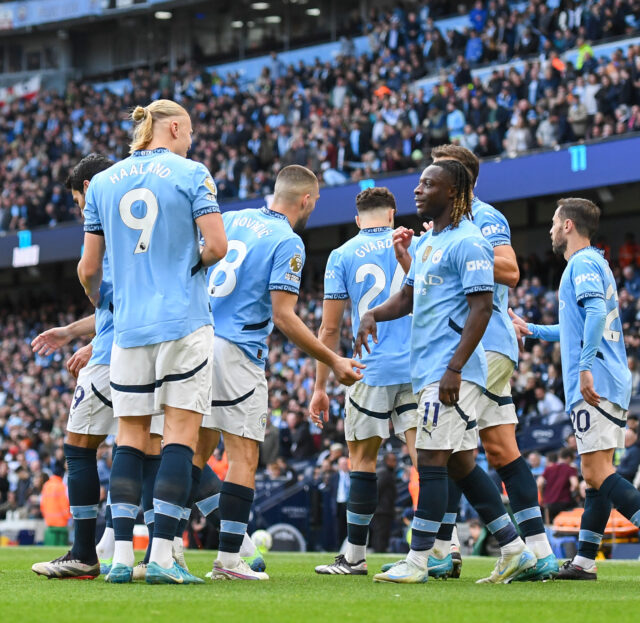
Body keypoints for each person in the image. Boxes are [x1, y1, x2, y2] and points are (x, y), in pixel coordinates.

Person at [357, 160, 534, 584]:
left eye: (428, 184)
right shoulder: (429, 242)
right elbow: (408, 297)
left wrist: (455, 368)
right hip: (430, 368)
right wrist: (372, 315)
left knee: (432, 459)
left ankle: (419, 560)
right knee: (459, 464)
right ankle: (514, 550)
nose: (417, 190)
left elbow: (483, 307)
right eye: (419, 182)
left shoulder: (471, 242)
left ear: (453, 192)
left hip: (450, 371)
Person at [79, 99, 228, 584]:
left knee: (129, 438)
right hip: (182, 321)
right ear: (176, 126)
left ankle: (121, 557)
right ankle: (162, 556)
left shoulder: (101, 182)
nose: (192, 141)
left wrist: (105, 300)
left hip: (128, 330)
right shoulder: (191, 172)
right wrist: (187, 267)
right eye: (190, 132)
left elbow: (87, 269)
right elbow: (217, 246)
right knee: (179, 438)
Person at [194, 164, 363, 581]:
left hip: (197, 340)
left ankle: (157, 551)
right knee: (244, 457)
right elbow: (284, 317)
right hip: (237, 353)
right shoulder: (288, 241)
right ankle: (229, 561)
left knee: (191, 457)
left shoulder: (232, 219)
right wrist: (333, 359)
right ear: (305, 200)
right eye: (316, 201)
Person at [512, 197, 640, 583]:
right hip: (609, 376)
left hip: (598, 379)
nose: (551, 230)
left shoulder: (583, 263)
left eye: (555, 223)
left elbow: (593, 314)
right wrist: (534, 330)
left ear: (570, 226)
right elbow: (578, 325)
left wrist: (586, 366)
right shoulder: (594, 263)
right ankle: (585, 562)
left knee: (596, 470)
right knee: (595, 475)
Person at [424, 144, 557, 581]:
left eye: (440, 173)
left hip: (482, 346)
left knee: (446, 450)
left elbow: (512, 270)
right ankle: (539, 552)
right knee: (501, 451)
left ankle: (440, 551)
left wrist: (464, 251)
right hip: (480, 345)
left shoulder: (484, 217)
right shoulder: (448, 224)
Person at [310, 187, 418, 577]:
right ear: (392, 214)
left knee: (362, 462)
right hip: (416, 367)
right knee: (427, 460)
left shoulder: (341, 255)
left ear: (358, 220)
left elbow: (330, 327)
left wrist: (320, 387)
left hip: (365, 368)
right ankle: (442, 546)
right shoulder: (417, 245)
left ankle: (354, 555)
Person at [31, 154, 115, 580]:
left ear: (87, 188)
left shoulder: (102, 220)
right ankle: (231, 549)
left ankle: (85, 553)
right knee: (155, 452)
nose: (80, 210)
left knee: (79, 447)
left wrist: (100, 334)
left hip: (115, 355)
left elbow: (92, 276)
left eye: (78, 201)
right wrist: (72, 331)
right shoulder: (143, 217)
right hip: (159, 349)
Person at [538, 448, 579, 522]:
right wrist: (573, 492)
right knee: (563, 527)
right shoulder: (570, 469)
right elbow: (575, 484)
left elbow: (539, 483)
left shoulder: (549, 469)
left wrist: (543, 497)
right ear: (569, 458)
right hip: (564, 503)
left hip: (549, 503)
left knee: (550, 528)